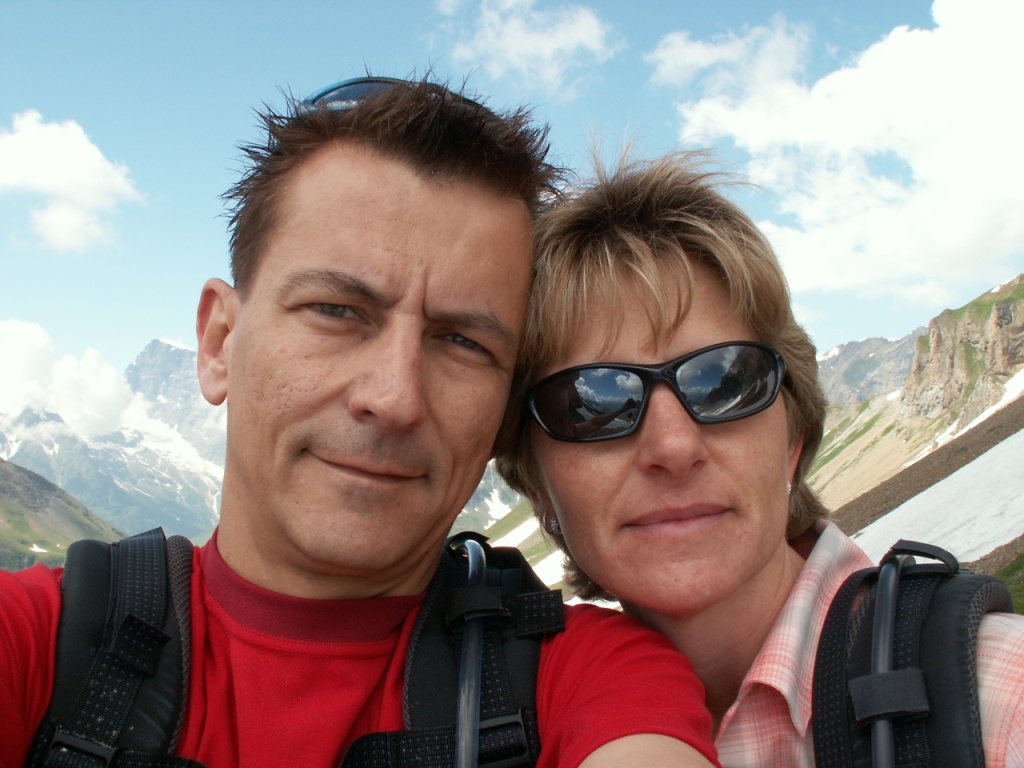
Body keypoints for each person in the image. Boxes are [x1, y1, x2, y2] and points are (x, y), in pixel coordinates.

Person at [0, 79, 720, 768]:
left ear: (505, 413)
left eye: (463, 341)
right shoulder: (35, 639)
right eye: (336, 311)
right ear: (219, 344)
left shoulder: (593, 676)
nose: (395, 397)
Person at [497, 149, 1024, 767]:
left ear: (793, 438)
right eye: (594, 403)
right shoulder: (517, 730)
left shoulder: (998, 696)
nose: (674, 447)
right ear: (535, 482)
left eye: (725, 382)